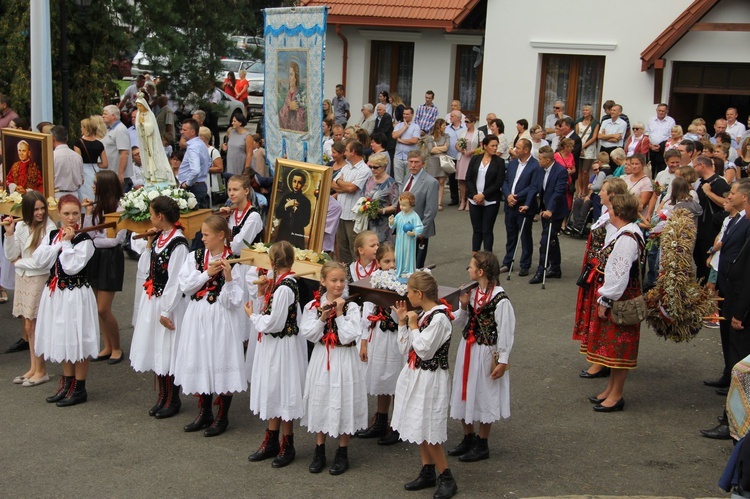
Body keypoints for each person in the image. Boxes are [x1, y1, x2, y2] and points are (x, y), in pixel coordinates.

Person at [174, 215, 247, 437]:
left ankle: (222, 416)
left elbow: (235, 301)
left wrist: (228, 277)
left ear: (221, 235)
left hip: (222, 317)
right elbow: (185, 286)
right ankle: (204, 411)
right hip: (198, 314)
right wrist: (207, 273)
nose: (202, 238)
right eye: (202, 234)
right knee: (201, 358)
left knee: (220, 359)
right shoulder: (195, 256)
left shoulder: (234, 261)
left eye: (206, 234)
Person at [391, 272, 458, 499]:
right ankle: (427, 470)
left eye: (409, 291)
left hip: (431, 379)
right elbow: (404, 349)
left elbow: (424, 350)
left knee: (430, 430)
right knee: (419, 424)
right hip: (416, 376)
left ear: (419, 294)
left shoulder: (439, 319)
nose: (407, 295)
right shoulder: (422, 314)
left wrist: (412, 325)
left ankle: (446, 476)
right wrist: (402, 322)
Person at [300, 261, 367, 475]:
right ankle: (319, 449)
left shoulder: (352, 307)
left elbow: (349, 335)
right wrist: (322, 318)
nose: (338, 285)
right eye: (333, 280)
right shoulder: (312, 306)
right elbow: (309, 334)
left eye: (341, 280)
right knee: (322, 398)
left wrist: (338, 314)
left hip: (345, 358)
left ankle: (342, 451)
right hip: (323, 357)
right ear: (323, 281)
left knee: (344, 399)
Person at [33, 195, 99, 406]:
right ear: (59, 214)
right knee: (62, 336)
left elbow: (72, 267)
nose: (71, 218)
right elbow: (40, 260)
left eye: (74, 213)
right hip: (56, 293)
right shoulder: (52, 235)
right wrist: (59, 243)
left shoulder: (85, 239)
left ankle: (80, 387)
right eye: (66, 213)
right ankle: (67, 382)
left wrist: (67, 244)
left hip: (76, 293)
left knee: (77, 337)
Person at [247, 241, 308, 468]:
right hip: (274, 346)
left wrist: (252, 316)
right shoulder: (279, 284)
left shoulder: (285, 287)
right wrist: (263, 294)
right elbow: (271, 311)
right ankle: (271, 438)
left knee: (284, 390)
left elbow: (274, 322)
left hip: (282, 346)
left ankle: (287, 443)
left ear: (272, 262)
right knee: (274, 389)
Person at [448, 252, 514, 462]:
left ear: (481, 271)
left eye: (470, 266)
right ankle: (468, 437)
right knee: (464, 390)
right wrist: (464, 306)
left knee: (485, 393)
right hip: (468, 349)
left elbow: (506, 330)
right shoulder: (472, 293)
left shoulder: (500, 299)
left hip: (486, 353)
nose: (468, 269)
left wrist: (503, 360)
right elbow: (461, 324)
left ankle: (482, 443)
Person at [129, 196, 189, 418]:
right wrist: (148, 244)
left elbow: (176, 281)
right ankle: (162, 395)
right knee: (157, 346)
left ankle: (173, 398)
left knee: (169, 348)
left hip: (168, 303)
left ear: (160, 216)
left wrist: (166, 311)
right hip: (153, 299)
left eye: (152, 214)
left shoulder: (178, 243)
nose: (150, 217)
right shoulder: (159, 238)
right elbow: (145, 268)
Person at [586, 193, 645, 412]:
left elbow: (619, 274)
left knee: (620, 349)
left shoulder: (628, 238)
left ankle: (617, 395)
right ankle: (610, 389)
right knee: (612, 348)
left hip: (622, 301)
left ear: (618, 212)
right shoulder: (624, 232)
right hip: (621, 297)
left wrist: (606, 299)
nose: (607, 212)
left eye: (611, 209)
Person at [573, 177, 628, 379]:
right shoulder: (606, 214)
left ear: (612, 195)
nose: (599, 193)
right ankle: (596, 356)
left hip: (602, 273)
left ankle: (601, 360)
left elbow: (611, 249)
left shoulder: (615, 219)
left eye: (603, 190)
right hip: (595, 270)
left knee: (601, 317)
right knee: (593, 316)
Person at [3, 192, 57, 387]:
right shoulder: (21, 226)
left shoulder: (49, 228)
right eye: (36, 209)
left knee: (35, 325)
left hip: (39, 279)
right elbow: (11, 255)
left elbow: (42, 263)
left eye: (42, 208)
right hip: (24, 278)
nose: (41, 212)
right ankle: (33, 368)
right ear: (28, 210)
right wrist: (9, 233)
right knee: (28, 326)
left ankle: (41, 370)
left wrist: (20, 263)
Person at [357, 242, 405, 444]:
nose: (391, 265)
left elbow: (401, 316)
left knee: (396, 380)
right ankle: (381, 420)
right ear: (378, 263)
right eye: (387, 261)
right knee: (382, 378)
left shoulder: (401, 284)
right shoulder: (374, 281)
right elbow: (367, 312)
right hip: (379, 336)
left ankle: (398, 425)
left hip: (396, 338)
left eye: (394, 261)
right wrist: (364, 342)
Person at [83, 170, 127, 364]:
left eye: (95, 183)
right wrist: (88, 215)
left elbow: (116, 240)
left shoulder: (120, 208)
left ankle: (117, 347)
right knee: (97, 307)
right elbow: (88, 233)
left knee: (103, 308)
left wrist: (95, 241)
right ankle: (107, 346)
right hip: (97, 258)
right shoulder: (97, 207)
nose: (92, 186)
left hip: (110, 258)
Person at [529, 146, 569, 284]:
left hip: (556, 211)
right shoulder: (540, 170)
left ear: (547, 159)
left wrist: (551, 210)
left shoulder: (561, 171)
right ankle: (556, 267)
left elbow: (558, 192)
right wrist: (529, 205)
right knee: (552, 239)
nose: (538, 161)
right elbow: (534, 187)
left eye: (540, 159)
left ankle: (541, 270)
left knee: (545, 240)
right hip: (545, 209)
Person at [500, 139, 538, 276]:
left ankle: (525, 264)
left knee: (525, 236)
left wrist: (516, 196)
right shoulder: (512, 163)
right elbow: (505, 181)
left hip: (522, 205)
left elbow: (533, 186)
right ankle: (507, 261)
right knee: (511, 235)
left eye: (518, 148)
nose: (515, 150)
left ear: (526, 150)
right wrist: (508, 195)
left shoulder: (535, 165)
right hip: (510, 205)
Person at [333, 140, 372, 262]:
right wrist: (344, 186)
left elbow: (352, 188)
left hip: (353, 216)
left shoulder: (364, 170)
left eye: (346, 150)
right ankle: (346, 275)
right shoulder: (346, 167)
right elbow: (332, 184)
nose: (344, 153)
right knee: (342, 248)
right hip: (341, 214)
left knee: (354, 248)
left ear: (353, 152)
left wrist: (340, 183)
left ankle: (357, 275)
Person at [694, 155, 730, 282]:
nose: (694, 170)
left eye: (695, 167)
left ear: (701, 166)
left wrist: (709, 193)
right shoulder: (702, 182)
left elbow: (727, 202)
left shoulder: (719, 182)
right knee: (700, 264)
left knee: (708, 265)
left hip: (712, 231)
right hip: (701, 231)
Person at [465, 135, 505, 252]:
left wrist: (483, 195)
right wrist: (475, 195)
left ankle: (488, 258)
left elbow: (499, 182)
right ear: (485, 146)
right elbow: (469, 179)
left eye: (496, 146)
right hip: (474, 199)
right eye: (492, 146)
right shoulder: (475, 159)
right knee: (477, 229)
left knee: (487, 230)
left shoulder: (499, 162)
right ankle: (475, 258)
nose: (495, 148)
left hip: (491, 200)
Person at [401, 150, 439, 269]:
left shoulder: (431, 182)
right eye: (410, 162)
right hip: (404, 228)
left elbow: (431, 210)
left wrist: (421, 231)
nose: (413, 165)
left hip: (418, 231)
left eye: (416, 162)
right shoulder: (407, 176)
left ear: (423, 163)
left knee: (416, 265)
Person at [135, 94, 175, 186]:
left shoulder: (150, 114)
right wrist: (140, 125)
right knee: (146, 156)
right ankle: (149, 174)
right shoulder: (138, 114)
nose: (139, 107)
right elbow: (137, 126)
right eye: (138, 106)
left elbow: (152, 127)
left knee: (153, 155)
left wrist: (143, 124)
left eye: (140, 105)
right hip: (143, 139)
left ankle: (156, 174)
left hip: (151, 139)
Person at [363, 152, 399, 243]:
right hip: (368, 221)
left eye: (376, 167)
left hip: (383, 223)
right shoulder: (369, 179)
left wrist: (381, 210)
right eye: (371, 167)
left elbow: (396, 206)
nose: (372, 169)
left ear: (384, 167)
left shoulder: (391, 184)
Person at [273, 169, 312, 249]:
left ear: (303, 184)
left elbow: (305, 222)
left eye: (299, 182)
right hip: (283, 231)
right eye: (294, 181)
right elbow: (278, 214)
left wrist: (296, 209)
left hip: (297, 234)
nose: (296, 185)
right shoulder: (286, 197)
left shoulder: (305, 201)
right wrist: (286, 205)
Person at [177, 118, 211, 209]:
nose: (181, 132)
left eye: (184, 130)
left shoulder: (193, 147)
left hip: (193, 188)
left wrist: (187, 184)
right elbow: (208, 162)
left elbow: (195, 170)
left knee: (194, 219)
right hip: (200, 185)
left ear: (192, 132)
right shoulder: (201, 144)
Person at [74, 118, 109, 202]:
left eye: (82, 126)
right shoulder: (99, 144)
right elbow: (105, 164)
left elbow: (78, 161)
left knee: (83, 196)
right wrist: (95, 164)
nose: (81, 128)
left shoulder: (78, 143)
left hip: (83, 172)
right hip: (94, 171)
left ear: (86, 128)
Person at [102, 105, 134, 192]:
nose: (102, 116)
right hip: (111, 174)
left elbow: (124, 153)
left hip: (117, 176)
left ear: (113, 116)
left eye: (105, 114)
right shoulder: (110, 129)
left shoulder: (120, 130)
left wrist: (120, 174)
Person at [456, 114, 483, 210]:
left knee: (470, 180)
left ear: (474, 123)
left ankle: (469, 200)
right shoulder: (463, 132)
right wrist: (461, 150)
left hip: (473, 158)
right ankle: (462, 200)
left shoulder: (479, 133)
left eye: (468, 122)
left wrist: (472, 151)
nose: (466, 124)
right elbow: (457, 144)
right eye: (465, 122)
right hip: (463, 157)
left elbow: (482, 147)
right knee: (462, 180)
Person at [51, 126, 84, 200]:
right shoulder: (77, 156)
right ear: (67, 138)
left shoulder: (52, 156)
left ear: (53, 138)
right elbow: (82, 180)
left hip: (57, 195)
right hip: (74, 194)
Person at [392, 107, 421, 186]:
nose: (405, 116)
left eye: (407, 114)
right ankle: (399, 197)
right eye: (404, 114)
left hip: (410, 157)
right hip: (398, 156)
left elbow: (414, 140)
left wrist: (401, 141)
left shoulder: (416, 127)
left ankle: (408, 197)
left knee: (409, 179)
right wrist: (405, 127)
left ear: (412, 115)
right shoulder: (399, 125)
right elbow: (394, 136)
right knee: (398, 180)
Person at [424, 118, 449, 209]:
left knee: (441, 182)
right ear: (439, 126)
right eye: (443, 125)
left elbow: (447, 148)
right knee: (432, 182)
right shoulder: (430, 137)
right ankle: (431, 202)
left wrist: (437, 149)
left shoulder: (446, 136)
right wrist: (442, 148)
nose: (445, 127)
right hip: (433, 161)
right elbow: (431, 150)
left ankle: (439, 203)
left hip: (442, 161)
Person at [645, 103, 675, 176]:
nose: (660, 112)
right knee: (650, 168)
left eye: (663, 111)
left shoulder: (671, 121)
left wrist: (661, 146)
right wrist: (650, 145)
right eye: (659, 110)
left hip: (663, 149)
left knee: (661, 169)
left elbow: (671, 136)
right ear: (656, 110)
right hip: (651, 147)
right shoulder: (651, 120)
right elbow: (646, 134)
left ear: (666, 111)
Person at [222, 113, 255, 178]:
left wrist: (246, 170)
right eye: (232, 121)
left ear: (240, 123)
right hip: (230, 163)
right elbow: (229, 145)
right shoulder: (231, 133)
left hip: (240, 164)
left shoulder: (247, 136)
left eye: (234, 121)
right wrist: (223, 147)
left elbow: (249, 154)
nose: (232, 123)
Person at [279, 60, 307, 132]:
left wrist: (296, 109)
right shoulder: (286, 94)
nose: (289, 78)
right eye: (288, 75)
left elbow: (304, 115)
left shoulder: (300, 93)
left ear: (296, 77)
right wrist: (289, 107)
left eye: (291, 75)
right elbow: (281, 114)